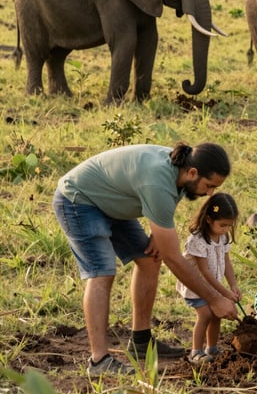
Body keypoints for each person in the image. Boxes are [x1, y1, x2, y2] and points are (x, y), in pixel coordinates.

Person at [53, 141, 239, 378]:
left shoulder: (181, 171)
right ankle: (99, 360)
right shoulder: (158, 181)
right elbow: (174, 259)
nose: (210, 193)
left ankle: (141, 341)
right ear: (193, 172)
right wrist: (215, 299)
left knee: (150, 258)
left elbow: (165, 207)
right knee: (102, 271)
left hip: (113, 202)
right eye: (209, 185)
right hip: (79, 200)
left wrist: (157, 233)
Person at [176, 192, 242, 364]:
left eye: (229, 226)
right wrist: (224, 293)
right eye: (222, 225)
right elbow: (204, 272)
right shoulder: (198, 240)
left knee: (216, 314)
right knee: (205, 314)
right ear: (208, 219)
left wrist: (233, 286)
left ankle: (212, 348)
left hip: (213, 285)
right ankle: (195, 351)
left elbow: (227, 262)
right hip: (196, 286)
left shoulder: (223, 237)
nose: (226, 229)